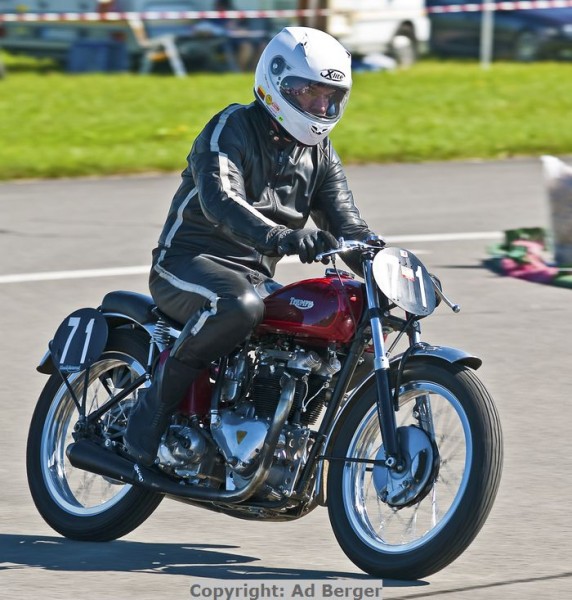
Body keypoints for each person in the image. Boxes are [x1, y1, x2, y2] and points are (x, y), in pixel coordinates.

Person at [124, 26, 375, 467]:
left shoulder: (320, 154)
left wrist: (383, 262)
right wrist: (284, 238)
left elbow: (347, 224)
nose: (321, 107)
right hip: (188, 264)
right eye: (311, 93)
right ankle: (150, 414)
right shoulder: (230, 127)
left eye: (330, 97)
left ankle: (287, 432)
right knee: (238, 307)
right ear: (276, 81)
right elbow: (222, 200)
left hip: (253, 279)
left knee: (357, 316)